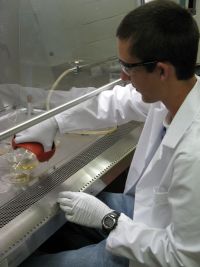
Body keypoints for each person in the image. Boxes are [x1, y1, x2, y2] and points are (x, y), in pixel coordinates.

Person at [18, 0, 200, 266]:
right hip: (150, 215)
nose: (123, 77)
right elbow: (115, 102)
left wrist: (109, 221)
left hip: (159, 252)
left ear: (161, 70)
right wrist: (54, 123)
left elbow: (182, 258)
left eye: (129, 67)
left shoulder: (194, 153)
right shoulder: (174, 93)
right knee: (58, 207)